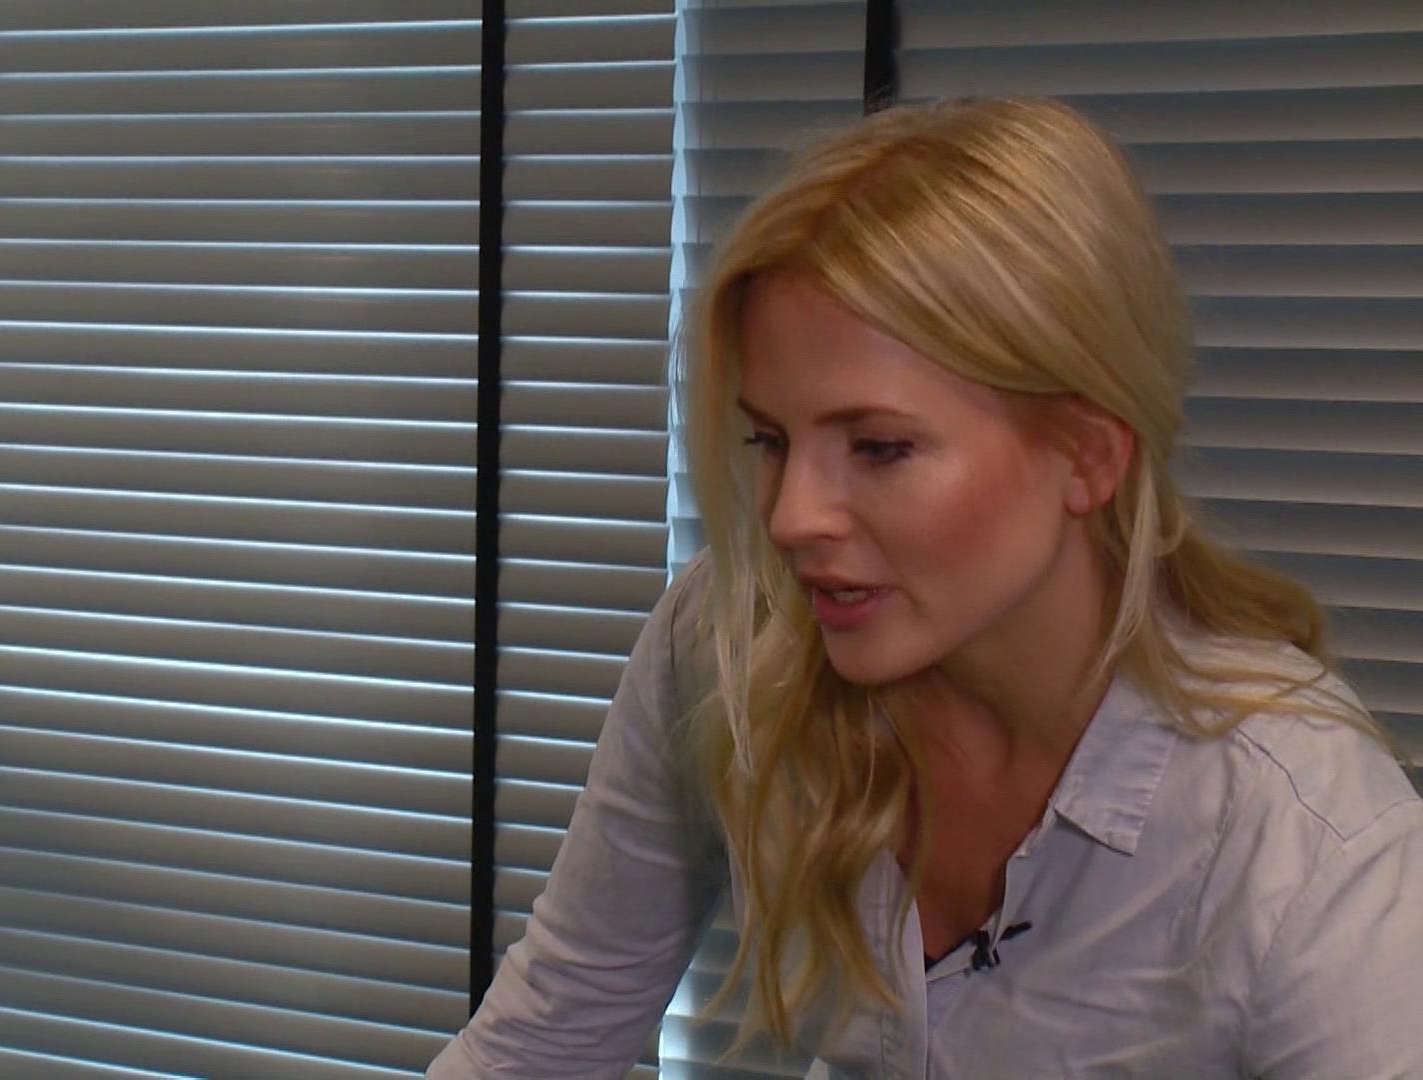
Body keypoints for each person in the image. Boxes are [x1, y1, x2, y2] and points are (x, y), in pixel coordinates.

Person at [426, 96, 1423, 1079]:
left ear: (1087, 456)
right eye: (770, 441)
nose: (791, 519)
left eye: (879, 448)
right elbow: (539, 1046)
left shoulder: (1302, 842)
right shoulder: (731, 644)